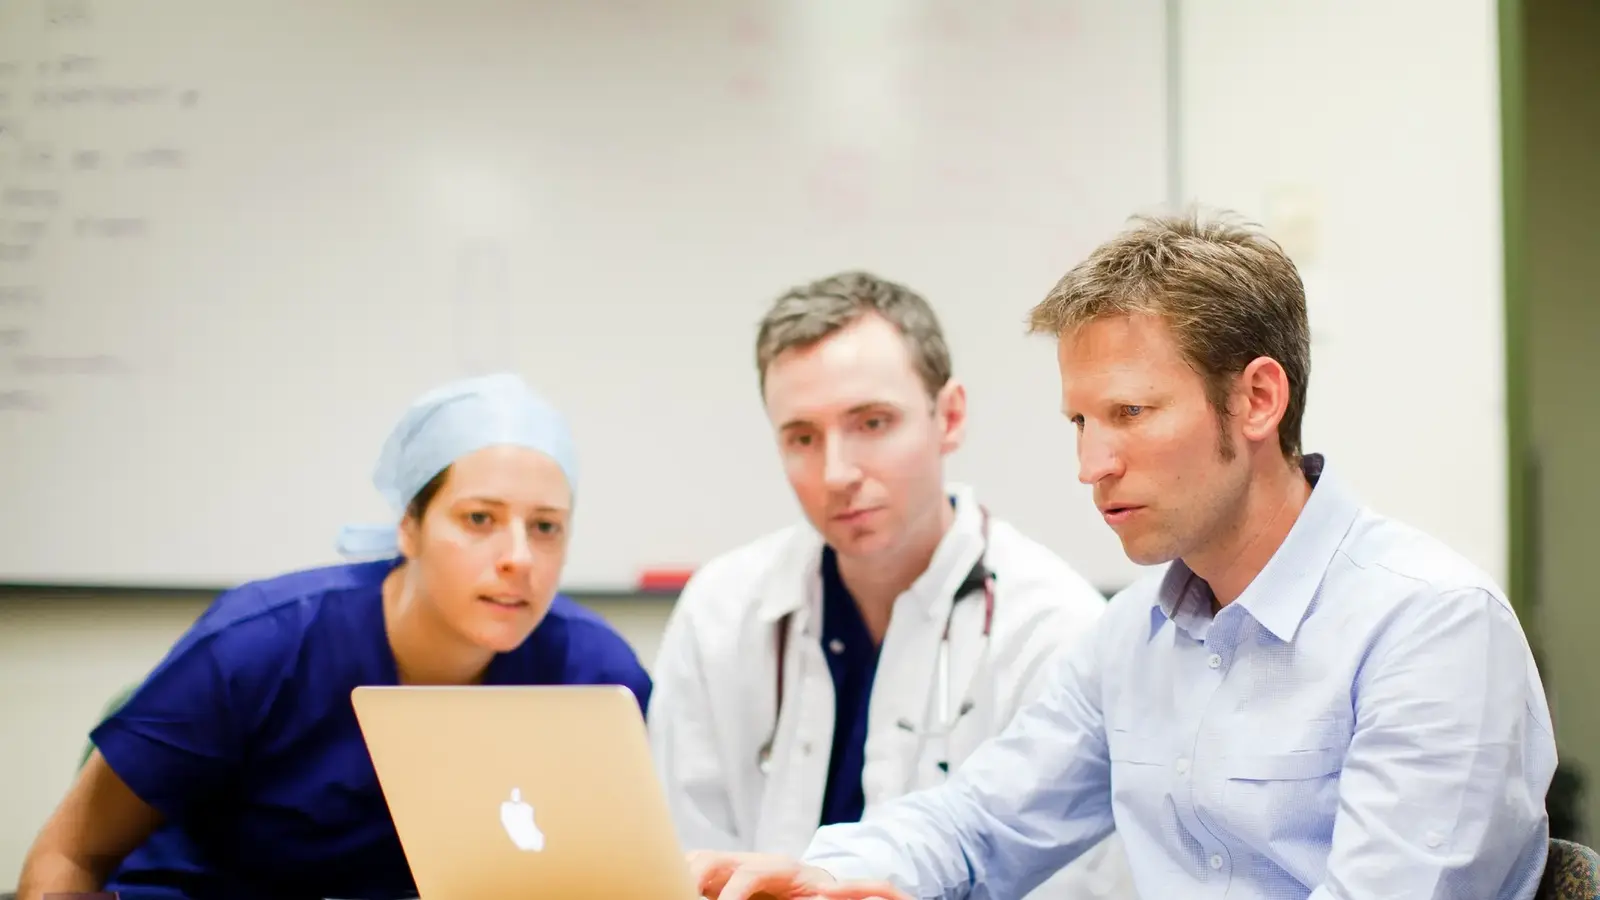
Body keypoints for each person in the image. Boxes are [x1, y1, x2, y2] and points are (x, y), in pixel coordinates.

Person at [690, 213, 1558, 900]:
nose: (1090, 465)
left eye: (1130, 414)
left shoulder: (1432, 629)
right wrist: (831, 874)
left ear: (1257, 398)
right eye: (1080, 422)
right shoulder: (1132, 636)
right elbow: (977, 823)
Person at [15, 373, 653, 900]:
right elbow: (68, 856)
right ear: (409, 526)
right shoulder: (259, 645)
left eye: (546, 527)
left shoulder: (595, 679)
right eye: (479, 518)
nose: (519, 557)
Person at [646, 271, 1135, 898]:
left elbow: (1076, 882)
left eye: (872, 423)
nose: (837, 471)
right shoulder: (721, 610)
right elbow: (684, 863)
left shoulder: (1052, 628)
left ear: (949, 417)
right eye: (802, 437)